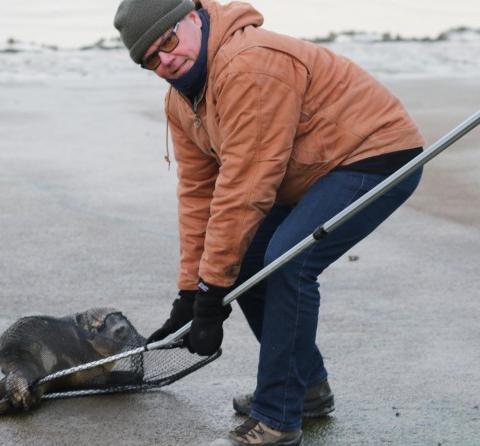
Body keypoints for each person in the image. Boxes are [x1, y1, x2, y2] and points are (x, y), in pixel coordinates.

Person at [114, 0, 424, 444]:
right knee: (245, 262)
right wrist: (191, 293)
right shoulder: (180, 101)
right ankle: (309, 389)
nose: (166, 60)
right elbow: (200, 196)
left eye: (168, 40)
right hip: (307, 170)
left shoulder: (248, 66)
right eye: (150, 59)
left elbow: (246, 186)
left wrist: (211, 297)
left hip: (374, 154)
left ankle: (278, 417)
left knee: (287, 263)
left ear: (195, 17)